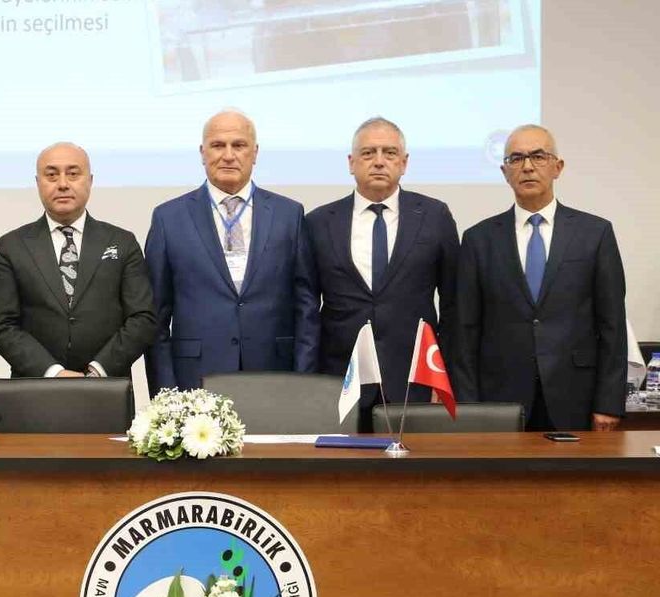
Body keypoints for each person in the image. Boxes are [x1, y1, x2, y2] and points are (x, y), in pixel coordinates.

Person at [455, 124, 627, 431]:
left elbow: (612, 324)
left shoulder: (595, 234)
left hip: (576, 394)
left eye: (538, 156)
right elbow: (465, 330)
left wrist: (608, 402)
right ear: (504, 172)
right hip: (499, 398)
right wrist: (468, 406)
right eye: (516, 158)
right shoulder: (478, 240)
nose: (527, 166)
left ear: (557, 167)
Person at [144, 110, 318, 394]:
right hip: (195, 379)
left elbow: (306, 307)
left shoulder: (289, 215)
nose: (228, 155)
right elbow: (156, 317)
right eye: (217, 145)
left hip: (274, 375)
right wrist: (166, 395)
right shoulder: (168, 218)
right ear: (202, 153)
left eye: (238, 145)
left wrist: (303, 384)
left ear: (255, 152)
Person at [304, 117, 459, 429]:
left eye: (389, 153)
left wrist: (446, 375)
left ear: (404, 163)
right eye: (368, 153)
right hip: (339, 381)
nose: (378, 161)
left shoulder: (434, 216)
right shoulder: (319, 222)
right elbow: (306, 306)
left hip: (414, 379)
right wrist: (308, 379)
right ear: (351, 163)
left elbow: (455, 304)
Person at [0, 142, 156, 377]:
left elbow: (142, 317)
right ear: (38, 183)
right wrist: (53, 372)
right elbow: (1, 324)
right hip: (34, 387)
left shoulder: (122, 242)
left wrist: (98, 370)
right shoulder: (12, 246)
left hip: (108, 386)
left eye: (73, 174)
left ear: (90, 180)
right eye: (51, 175)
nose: (63, 184)